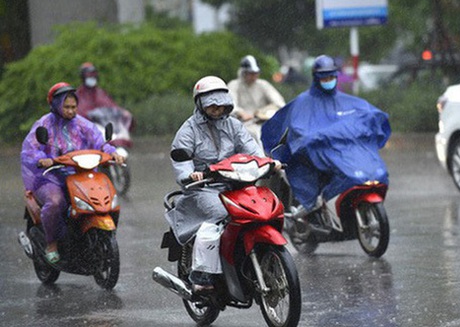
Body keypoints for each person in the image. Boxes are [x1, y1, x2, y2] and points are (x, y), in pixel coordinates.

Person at [166, 75, 271, 293]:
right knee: (219, 218)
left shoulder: (234, 125)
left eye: (221, 104)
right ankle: (202, 275)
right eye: (212, 105)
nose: (217, 109)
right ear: (200, 104)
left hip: (236, 185)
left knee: (261, 209)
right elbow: (181, 162)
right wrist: (190, 175)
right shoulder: (188, 130)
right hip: (203, 189)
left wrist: (268, 163)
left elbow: (252, 150)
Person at [261, 55, 391, 219]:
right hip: (318, 150)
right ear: (316, 77)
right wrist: (307, 138)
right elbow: (296, 126)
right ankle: (313, 205)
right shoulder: (304, 102)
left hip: (344, 149)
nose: (328, 80)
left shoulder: (347, 101)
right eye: (325, 77)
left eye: (331, 77)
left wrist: (373, 121)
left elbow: (365, 114)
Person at [21, 82, 125, 264]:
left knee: (103, 197)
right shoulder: (43, 124)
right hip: (50, 177)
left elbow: (100, 143)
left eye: (74, 107)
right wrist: (42, 159)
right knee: (55, 202)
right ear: (55, 105)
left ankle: (91, 237)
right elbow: (31, 149)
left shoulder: (83, 125)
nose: (71, 111)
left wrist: (112, 153)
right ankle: (51, 243)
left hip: (80, 174)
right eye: (66, 107)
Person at [227, 55, 285, 146]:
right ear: (243, 73)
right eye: (250, 73)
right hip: (243, 124)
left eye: (255, 73)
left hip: (264, 121)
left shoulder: (263, 84)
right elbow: (230, 104)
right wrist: (240, 112)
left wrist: (267, 112)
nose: (254, 76)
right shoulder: (234, 85)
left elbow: (278, 101)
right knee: (254, 134)